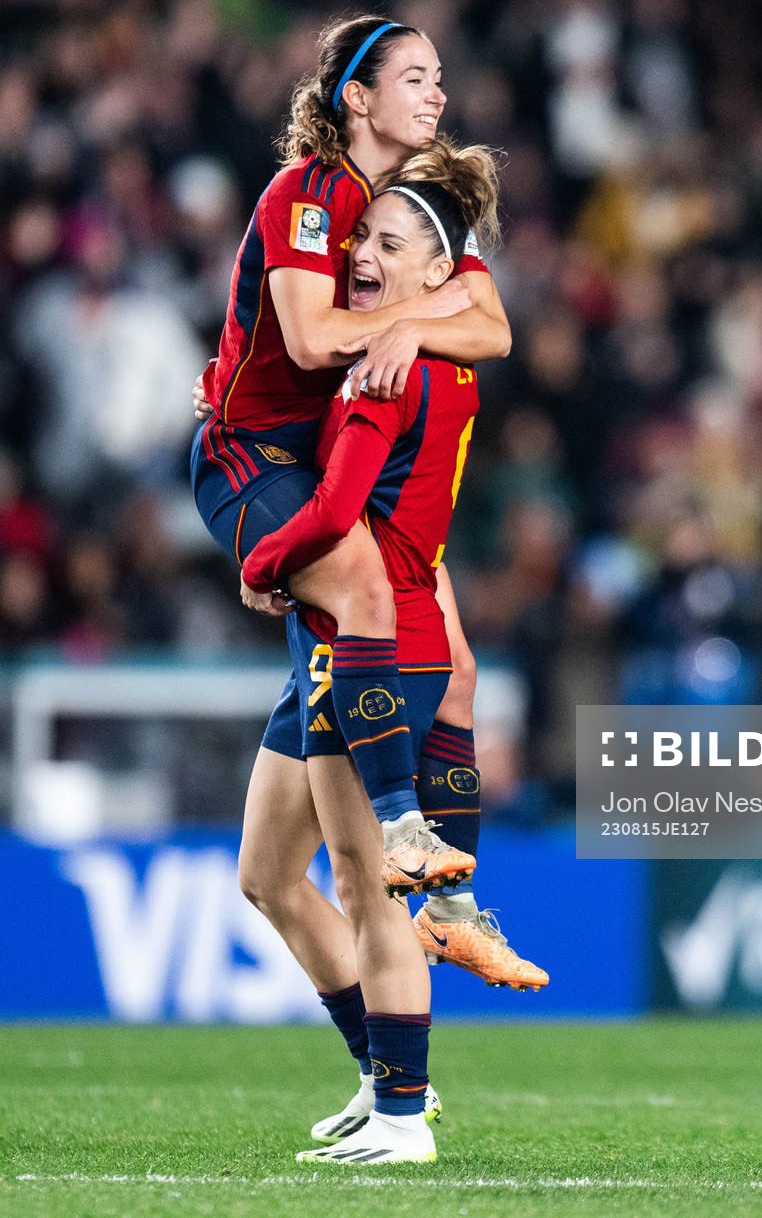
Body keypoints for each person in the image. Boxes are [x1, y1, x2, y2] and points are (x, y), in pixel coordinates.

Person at [237, 143, 543, 1168]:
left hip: (366, 644)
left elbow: (330, 513)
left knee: (368, 887)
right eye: (361, 232)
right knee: (268, 874)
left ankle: (402, 1111)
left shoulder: (389, 366)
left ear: (435, 274)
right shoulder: (445, 357)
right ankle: (389, 1078)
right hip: (367, 635)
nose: (362, 250)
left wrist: (263, 557)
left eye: (386, 241)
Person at [190, 15, 511, 891]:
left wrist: (413, 322)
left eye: (440, 75)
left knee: (456, 667)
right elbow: (306, 339)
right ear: (357, 97)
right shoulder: (308, 189)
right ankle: (399, 827)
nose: (438, 93)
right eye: (415, 77)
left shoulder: (424, 206)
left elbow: (493, 330)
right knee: (365, 592)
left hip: (346, 455)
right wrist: (415, 319)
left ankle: (453, 908)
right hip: (257, 454)